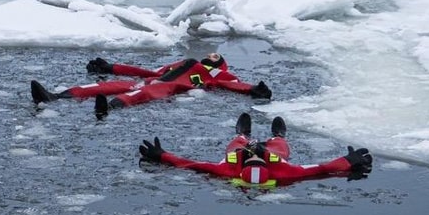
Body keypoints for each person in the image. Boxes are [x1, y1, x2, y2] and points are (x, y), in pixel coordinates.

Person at [137, 113, 373, 189]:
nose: (255, 155)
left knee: (236, 144)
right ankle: (277, 136)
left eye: (254, 158)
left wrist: (161, 156)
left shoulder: (227, 168)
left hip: (237, 156)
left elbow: (190, 164)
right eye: (255, 158)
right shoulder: (284, 171)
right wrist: (348, 161)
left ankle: (242, 134)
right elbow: (321, 169)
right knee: (280, 147)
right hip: (275, 159)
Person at [30, 52, 272, 119]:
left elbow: (230, 86)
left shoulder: (222, 74)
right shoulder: (182, 62)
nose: (211, 55)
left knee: (142, 93)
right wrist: (111, 68)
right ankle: (56, 97)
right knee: (108, 86)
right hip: (153, 79)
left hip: (173, 87)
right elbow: (147, 72)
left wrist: (251, 89)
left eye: (216, 55)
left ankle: (108, 109)